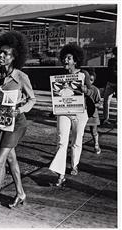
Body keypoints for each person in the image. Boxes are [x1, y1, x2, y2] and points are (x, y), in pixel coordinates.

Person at [0, 31, 36, 221]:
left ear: (15, 57)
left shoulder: (21, 77)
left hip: (16, 124)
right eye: (1, 52)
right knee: (11, 160)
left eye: (7, 54)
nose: (2, 56)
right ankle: (20, 193)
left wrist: (20, 110)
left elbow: (32, 99)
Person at [49, 43, 92, 187]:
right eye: (64, 58)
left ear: (76, 60)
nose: (65, 61)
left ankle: (74, 164)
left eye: (68, 58)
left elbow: (91, 91)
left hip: (80, 112)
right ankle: (60, 174)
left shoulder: (83, 74)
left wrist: (86, 90)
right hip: (64, 112)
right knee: (62, 142)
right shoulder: (60, 78)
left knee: (76, 141)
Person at [85, 68, 102, 154]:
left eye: (91, 80)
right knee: (79, 132)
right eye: (88, 79)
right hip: (83, 114)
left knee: (94, 131)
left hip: (92, 115)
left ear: (93, 81)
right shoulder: (81, 88)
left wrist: (92, 105)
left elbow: (100, 103)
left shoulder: (96, 90)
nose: (89, 82)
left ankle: (96, 144)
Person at [102, 47, 117, 125]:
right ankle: (106, 118)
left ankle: (106, 118)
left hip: (111, 82)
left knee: (106, 101)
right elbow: (110, 72)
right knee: (106, 101)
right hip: (111, 82)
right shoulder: (111, 61)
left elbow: (110, 72)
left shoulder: (111, 61)